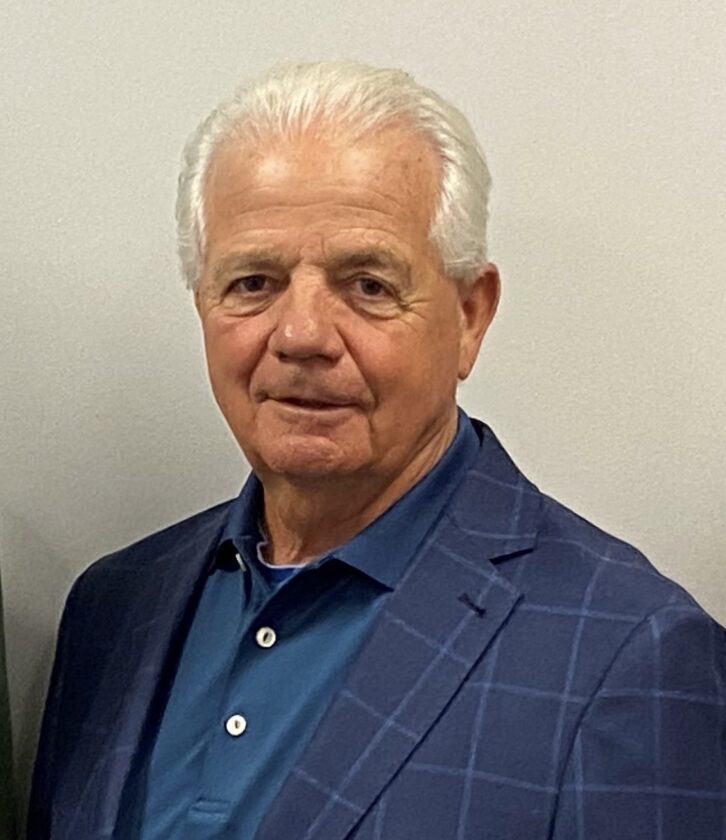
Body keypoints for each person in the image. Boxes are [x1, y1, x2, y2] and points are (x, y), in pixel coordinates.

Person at [28, 61, 725, 840]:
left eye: (367, 284)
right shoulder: (114, 610)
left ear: (470, 316)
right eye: (253, 282)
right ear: (202, 305)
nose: (302, 335)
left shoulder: (627, 654)